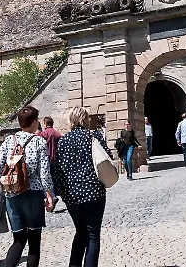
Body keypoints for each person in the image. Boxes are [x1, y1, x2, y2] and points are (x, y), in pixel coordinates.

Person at [0, 105, 54, 267]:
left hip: (12, 194)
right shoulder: (39, 141)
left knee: (18, 239)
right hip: (33, 194)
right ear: (33, 122)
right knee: (34, 241)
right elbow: (44, 172)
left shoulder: (9, 140)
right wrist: (49, 195)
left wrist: (12, 174)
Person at [51, 106, 111, 267]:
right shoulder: (93, 136)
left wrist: (63, 193)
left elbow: (58, 169)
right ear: (84, 119)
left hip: (72, 195)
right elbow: (107, 157)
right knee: (93, 236)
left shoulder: (63, 140)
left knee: (80, 232)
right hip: (94, 192)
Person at [38, 116, 63, 208]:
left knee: (46, 179)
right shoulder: (58, 134)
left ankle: (52, 196)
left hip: (46, 160)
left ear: (45, 124)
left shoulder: (43, 134)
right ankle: (56, 193)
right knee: (55, 178)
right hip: (57, 160)